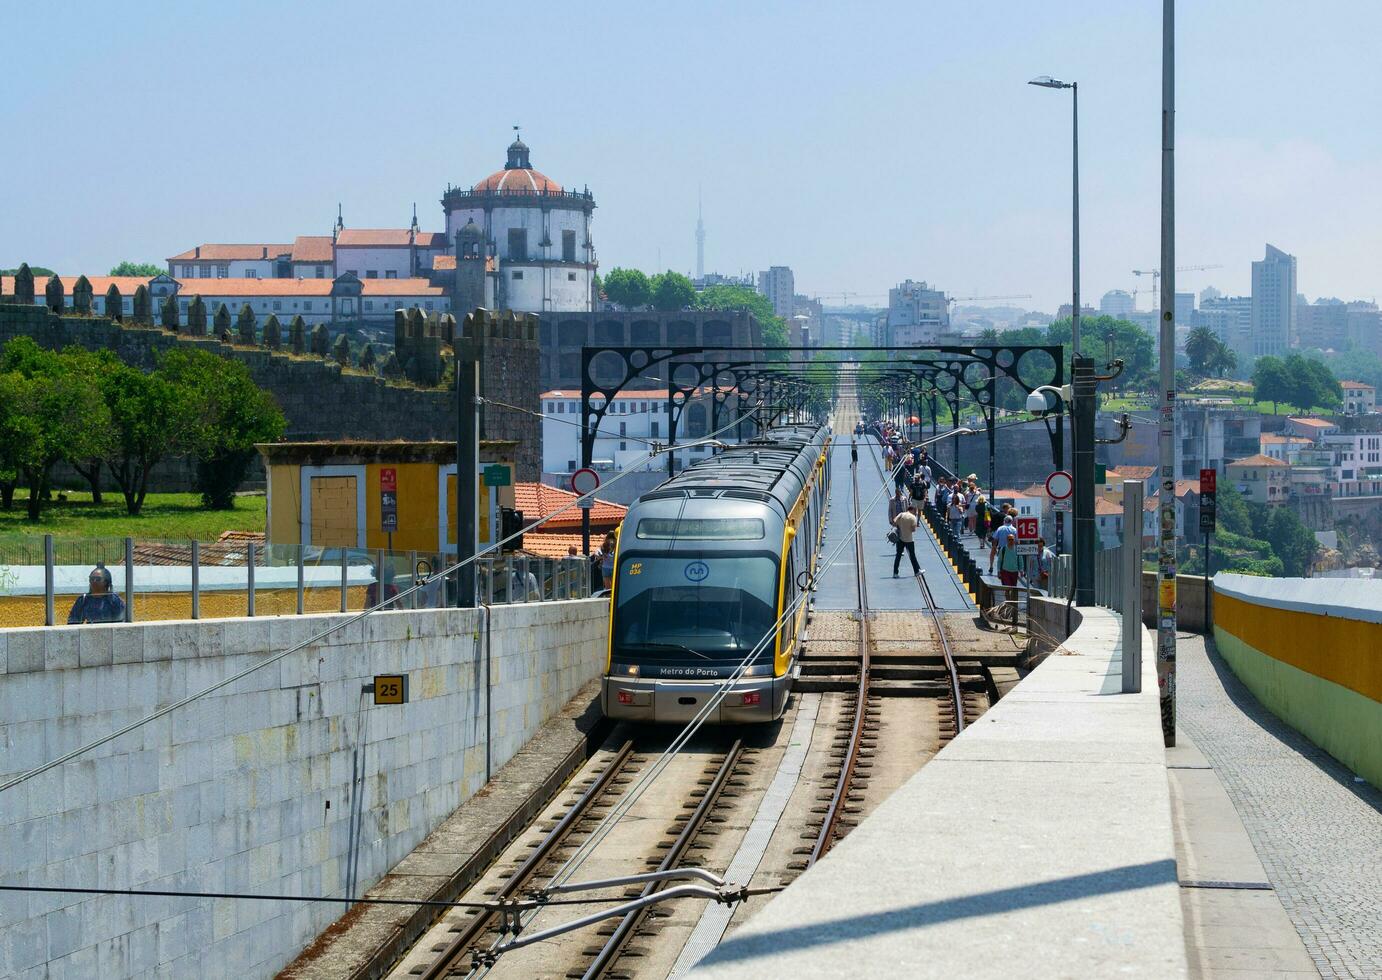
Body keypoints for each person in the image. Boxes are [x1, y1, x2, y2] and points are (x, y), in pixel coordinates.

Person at [989, 515, 1020, 586]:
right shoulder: (1014, 530)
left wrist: (994, 548)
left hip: (1002, 549)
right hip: (1012, 549)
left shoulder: (1000, 528)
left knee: (1001, 562)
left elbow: (995, 539)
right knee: (1011, 562)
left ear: (1004, 521)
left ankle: (1002, 575)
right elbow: (1017, 542)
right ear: (1011, 521)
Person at [891, 504, 921, 577]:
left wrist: (900, 527)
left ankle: (895, 573)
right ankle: (916, 571)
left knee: (898, 556)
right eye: (915, 511)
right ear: (913, 510)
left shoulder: (901, 514)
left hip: (900, 538)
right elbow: (913, 529)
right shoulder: (913, 517)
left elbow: (894, 521)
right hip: (909, 539)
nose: (916, 513)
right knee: (912, 555)